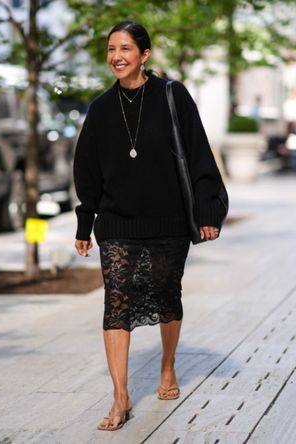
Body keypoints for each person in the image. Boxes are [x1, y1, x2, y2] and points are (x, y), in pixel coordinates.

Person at [74, 20, 225, 431]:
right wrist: (84, 222)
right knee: (116, 299)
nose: (116, 57)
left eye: (125, 48)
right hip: (117, 221)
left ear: (145, 54)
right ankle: (120, 397)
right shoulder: (102, 109)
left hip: (169, 219)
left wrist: (210, 211)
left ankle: (168, 366)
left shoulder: (172, 96)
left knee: (165, 294)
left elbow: (198, 154)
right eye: (110, 49)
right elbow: (86, 169)